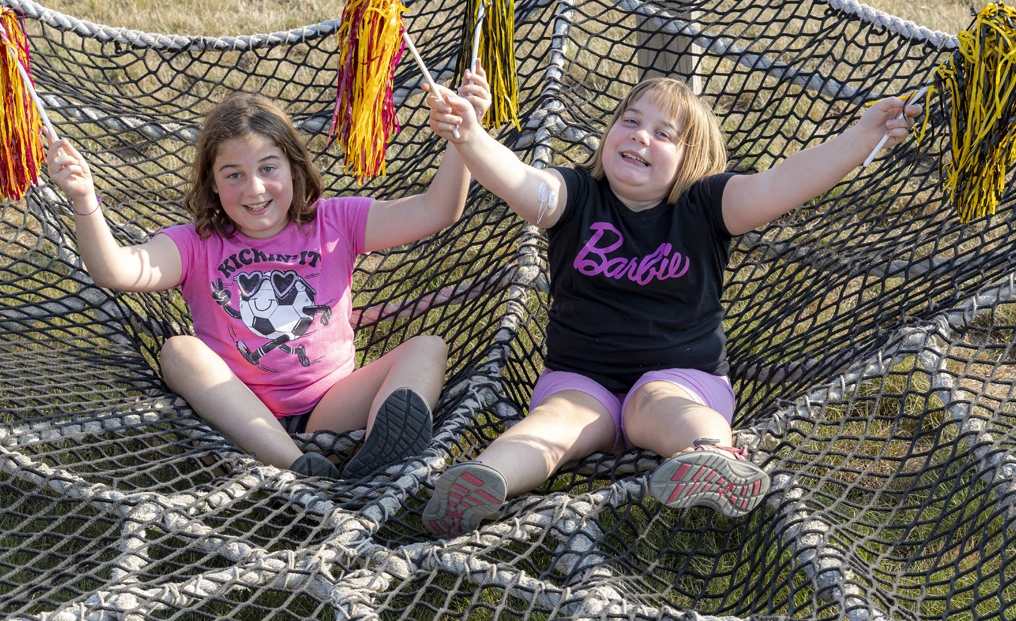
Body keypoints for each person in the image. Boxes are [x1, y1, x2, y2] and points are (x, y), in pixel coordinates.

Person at [420, 75, 922, 536]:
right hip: (579, 377)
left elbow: (782, 182)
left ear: (691, 160)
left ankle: (713, 458)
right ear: (610, 133)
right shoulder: (575, 194)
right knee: (555, 423)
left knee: (659, 404)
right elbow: (523, 183)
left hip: (683, 373)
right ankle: (485, 480)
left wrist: (860, 138)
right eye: (631, 121)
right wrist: (470, 137)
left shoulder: (706, 205)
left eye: (664, 134)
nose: (640, 135)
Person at [46, 70, 492, 480]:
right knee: (179, 352)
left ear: (295, 169)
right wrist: (85, 200)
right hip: (240, 411)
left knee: (428, 349)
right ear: (213, 184)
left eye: (267, 169)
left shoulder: (335, 221)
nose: (254, 189)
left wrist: (465, 138)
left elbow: (437, 211)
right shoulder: (196, 242)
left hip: (330, 408)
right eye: (233, 175)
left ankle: (381, 451)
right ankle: (299, 466)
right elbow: (115, 269)